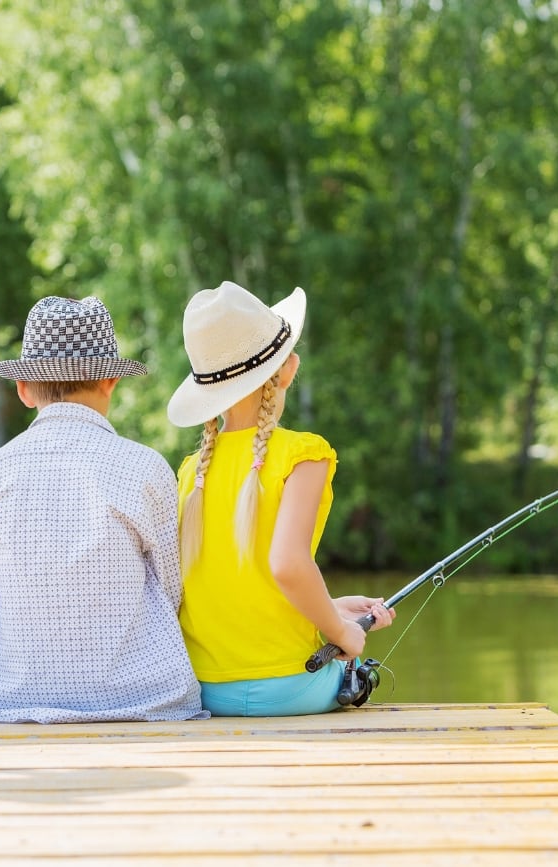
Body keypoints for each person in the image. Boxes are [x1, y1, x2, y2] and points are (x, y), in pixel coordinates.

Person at [0, 296, 206, 724]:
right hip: (142, 695)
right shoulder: (145, 467)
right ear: (110, 382)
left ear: (24, 390)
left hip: (11, 697)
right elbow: (172, 590)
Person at [167, 281, 394, 717]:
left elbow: (239, 585)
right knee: (358, 671)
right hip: (292, 688)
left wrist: (330, 607)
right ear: (288, 369)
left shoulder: (190, 472)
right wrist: (343, 635)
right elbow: (287, 565)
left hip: (206, 690)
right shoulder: (303, 455)